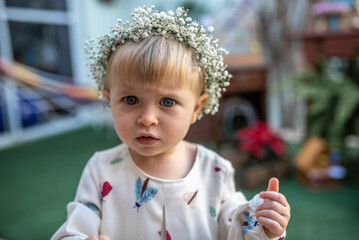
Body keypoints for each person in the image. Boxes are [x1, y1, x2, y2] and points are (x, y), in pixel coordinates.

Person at [52, 6, 290, 240]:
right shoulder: (101, 169)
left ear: (196, 108)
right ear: (109, 100)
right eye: (131, 99)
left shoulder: (215, 170)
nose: (147, 118)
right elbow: (75, 229)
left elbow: (235, 228)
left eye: (167, 101)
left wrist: (263, 224)